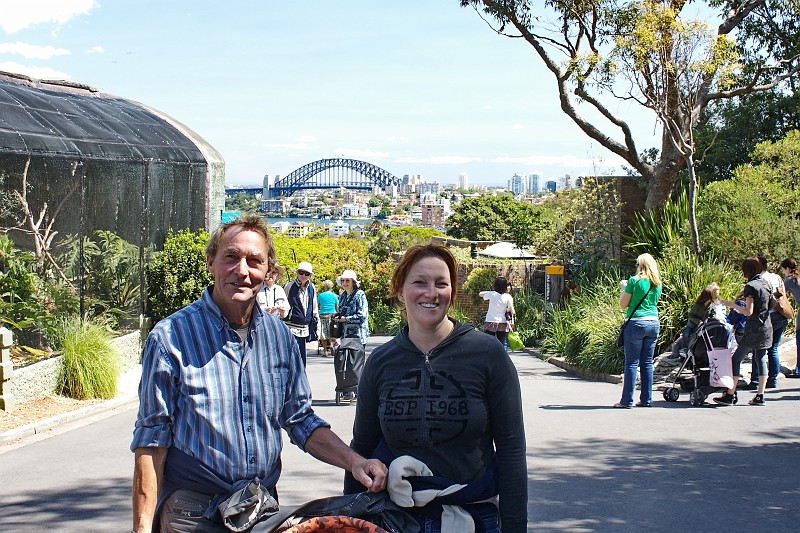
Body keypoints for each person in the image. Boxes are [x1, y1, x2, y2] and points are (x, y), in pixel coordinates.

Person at [131, 215, 386, 533]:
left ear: (269, 273)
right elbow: (152, 442)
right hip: (193, 513)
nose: (242, 270)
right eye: (231, 257)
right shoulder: (171, 337)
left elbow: (300, 420)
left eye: (254, 261)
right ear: (211, 262)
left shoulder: (279, 337)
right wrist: (141, 528)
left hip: (260, 510)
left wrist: (355, 461)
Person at [345, 245, 527, 532]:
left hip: (473, 518)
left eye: (441, 284)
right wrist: (349, 521)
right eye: (419, 282)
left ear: (452, 292)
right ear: (401, 291)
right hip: (395, 520)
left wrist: (515, 528)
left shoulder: (488, 355)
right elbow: (362, 450)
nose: (431, 293)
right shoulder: (380, 363)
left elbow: (511, 451)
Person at [716, 256, 773, 406]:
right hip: (766, 326)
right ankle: (760, 395)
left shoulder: (751, 286)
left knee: (736, 359)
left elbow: (748, 311)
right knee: (760, 359)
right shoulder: (765, 283)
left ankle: (730, 393)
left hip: (753, 329)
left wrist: (731, 304)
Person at [615, 253, 663, 408]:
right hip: (653, 323)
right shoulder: (657, 283)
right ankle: (646, 399)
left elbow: (623, 304)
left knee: (631, 363)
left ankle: (626, 400)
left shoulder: (633, 281)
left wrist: (624, 288)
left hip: (636, 322)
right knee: (647, 362)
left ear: (639, 265)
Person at [742, 255, 788, 390]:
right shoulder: (776, 277)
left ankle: (756, 381)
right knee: (773, 349)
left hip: (766, 317)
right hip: (780, 316)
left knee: (759, 350)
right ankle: (772, 380)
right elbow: (782, 294)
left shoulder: (760, 281)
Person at [334, 269, 369, 401]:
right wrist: (337, 317)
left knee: (357, 364)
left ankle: (359, 390)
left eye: (347, 280)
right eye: (343, 280)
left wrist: (346, 319)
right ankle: (347, 390)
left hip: (358, 334)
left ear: (353, 282)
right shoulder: (342, 295)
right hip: (345, 334)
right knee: (345, 363)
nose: (345, 283)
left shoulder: (360, 295)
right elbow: (341, 312)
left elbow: (362, 315)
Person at [670, 283, 722, 359]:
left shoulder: (711, 305)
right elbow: (691, 316)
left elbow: (712, 313)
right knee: (686, 335)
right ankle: (684, 350)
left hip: (703, 325)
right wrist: (698, 322)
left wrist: (715, 319)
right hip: (693, 324)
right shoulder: (698, 305)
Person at [284, 261, 319, 366]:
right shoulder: (289, 286)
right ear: (297, 273)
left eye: (306, 274)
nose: (303, 276)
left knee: (302, 359)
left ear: (310, 276)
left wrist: (317, 327)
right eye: (301, 272)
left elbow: (314, 307)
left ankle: (300, 380)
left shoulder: (311, 288)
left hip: (304, 328)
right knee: (290, 357)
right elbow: (284, 304)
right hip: (291, 326)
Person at [479, 276, 515, 347]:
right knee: (501, 344)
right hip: (502, 322)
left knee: (488, 343)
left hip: (491, 321)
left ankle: (489, 357)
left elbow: (480, 294)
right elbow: (511, 310)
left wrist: (488, 292)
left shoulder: (492, 294)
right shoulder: (508, 297)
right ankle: (499, 357)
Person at [780, 258, 800, 377]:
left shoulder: (789, 280)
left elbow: (780, 294)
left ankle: (799, 369)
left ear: (787, 269)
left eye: (783, 270)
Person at [317, 279, 339, 357]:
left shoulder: (320, 295)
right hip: (332, 315)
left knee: (323, 333)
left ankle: (325, 351)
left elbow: (317, 306)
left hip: (322, 315)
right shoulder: (334, 296)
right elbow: (337, 307)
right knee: (331, 332)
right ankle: (332, 345)